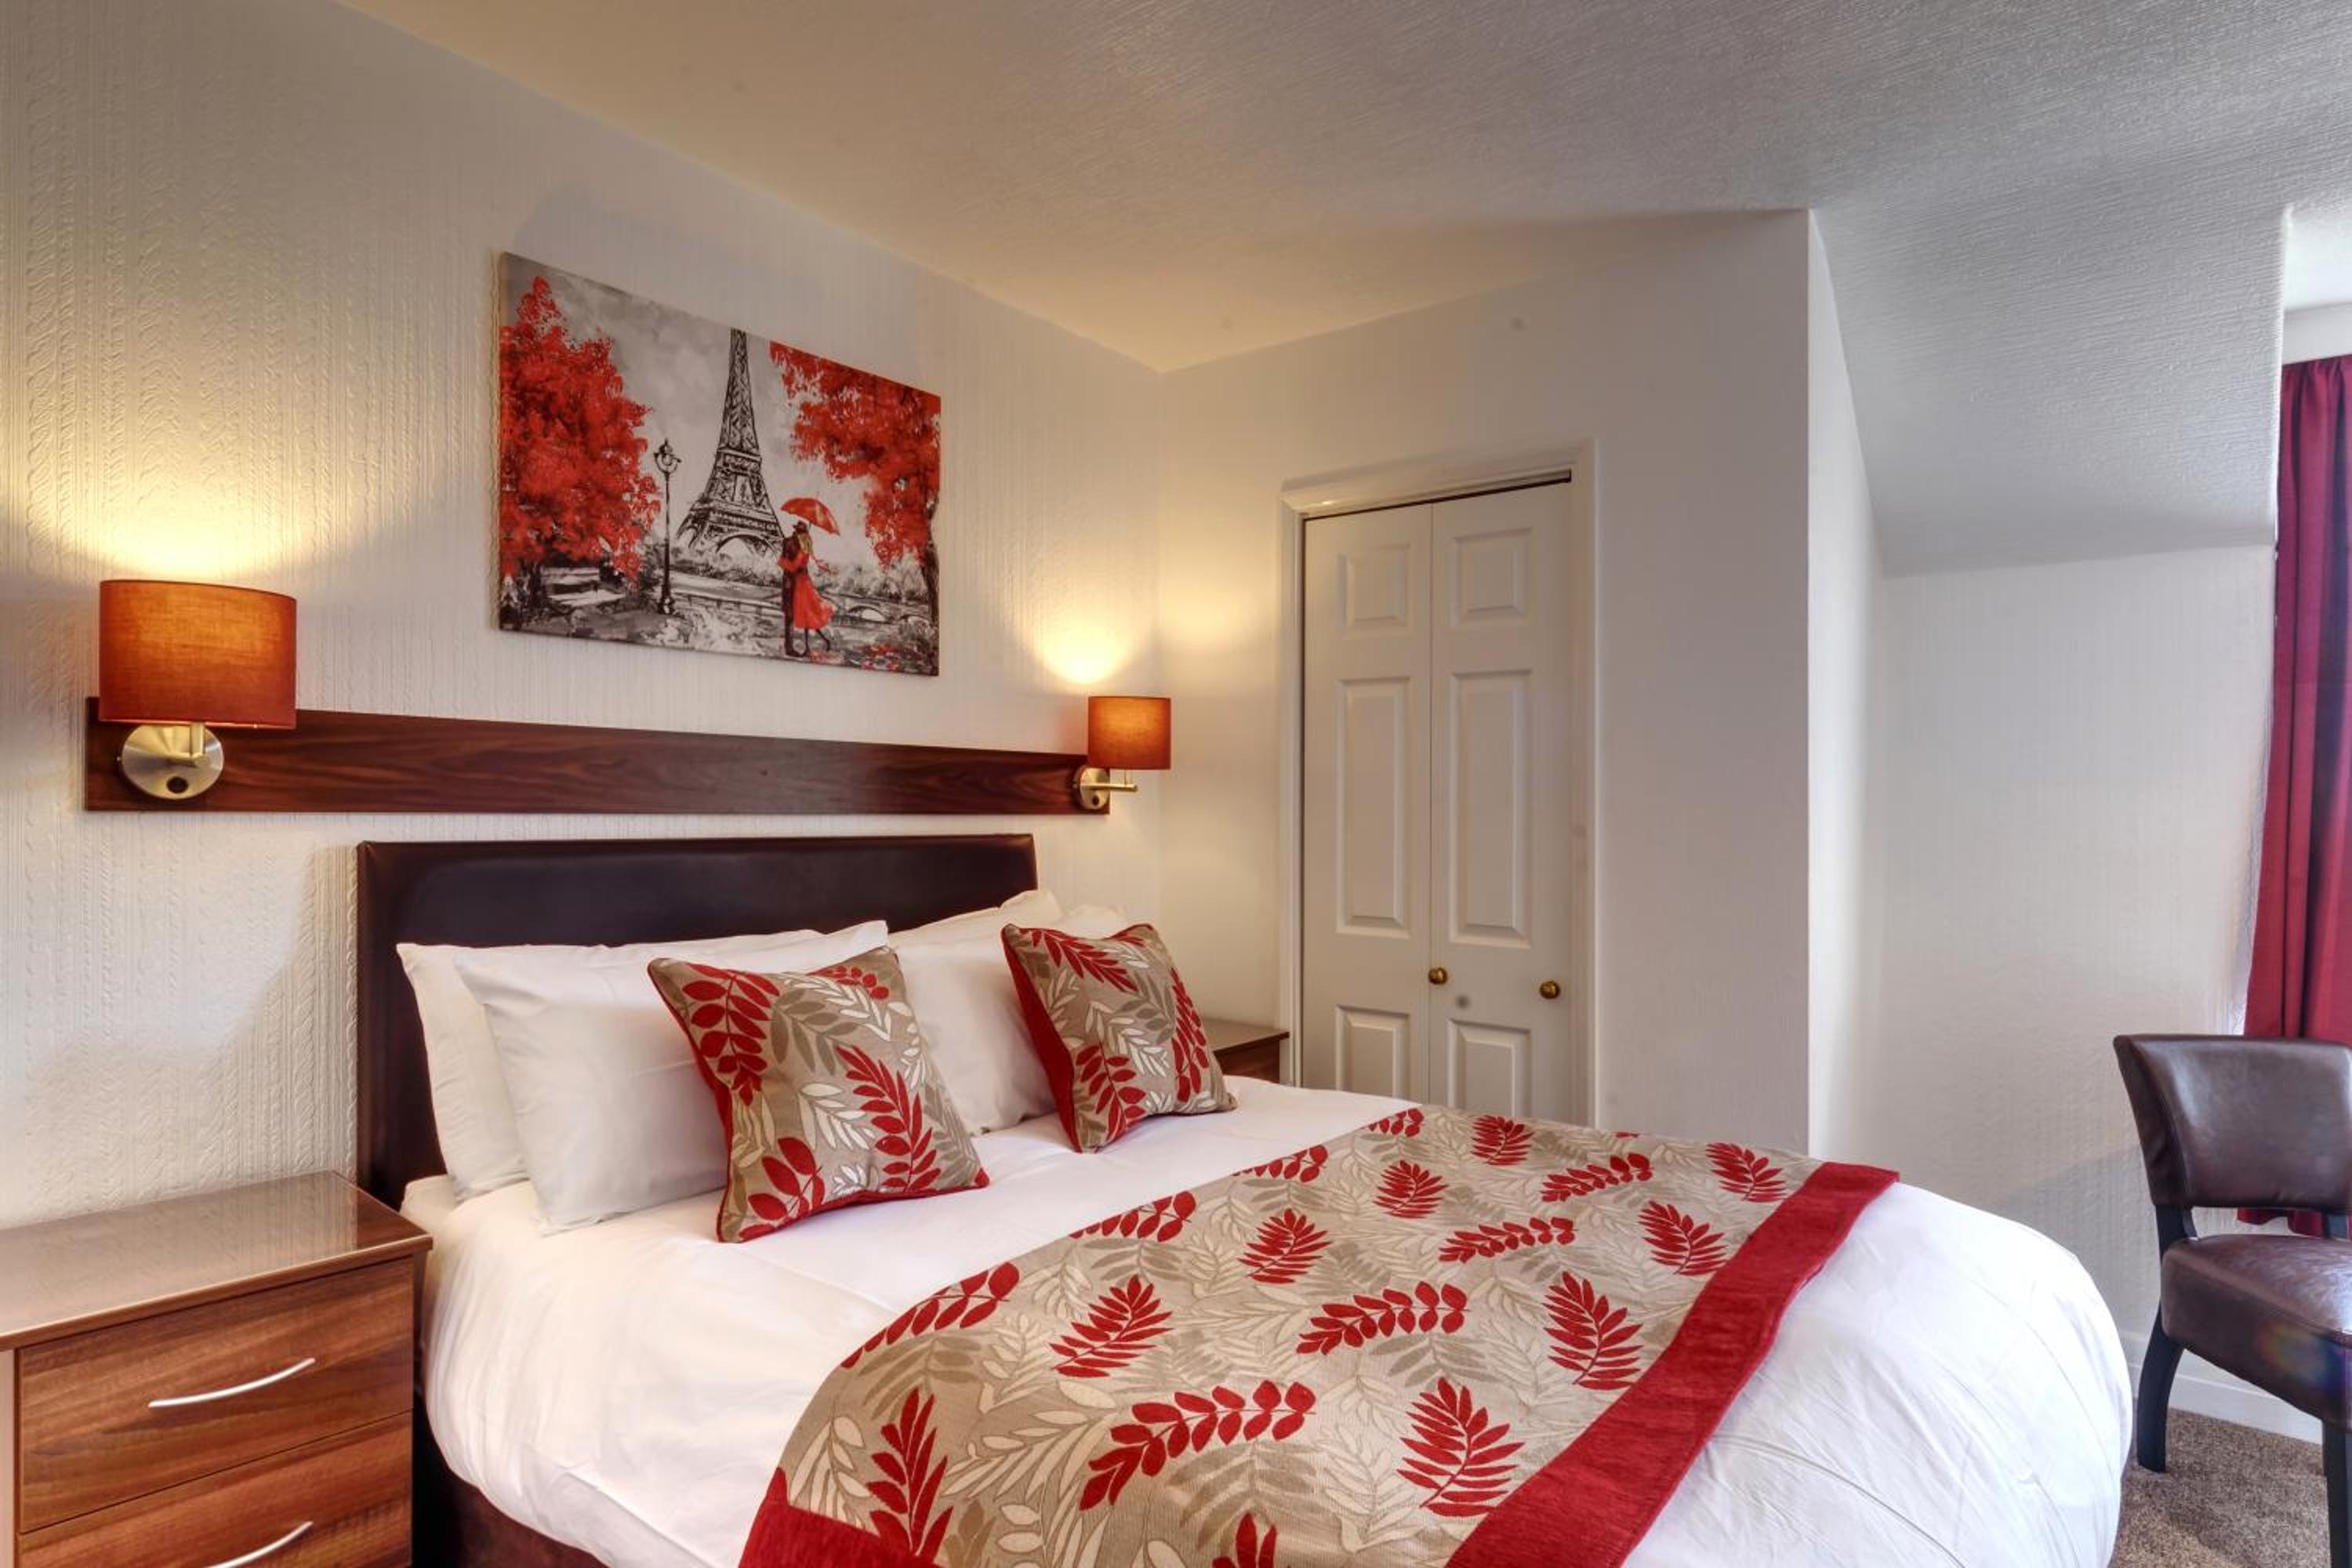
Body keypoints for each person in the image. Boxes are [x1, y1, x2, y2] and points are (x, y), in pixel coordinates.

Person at [777, 520, 835, 658]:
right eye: (801, 532)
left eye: (803, 532)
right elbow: (786, 563)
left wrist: (793, 562)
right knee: (797, 614)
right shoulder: (790, 542)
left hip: (802, 583)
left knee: (806, 613)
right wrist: (794, 564)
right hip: (796, 582)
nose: (802, 534)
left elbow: (800, 564)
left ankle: (808, 646)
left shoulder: (805, 544)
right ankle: (796, 647)